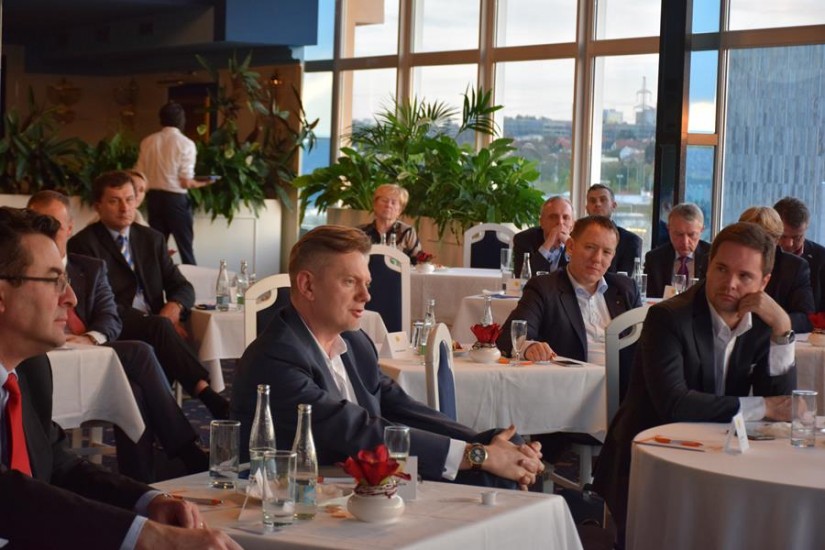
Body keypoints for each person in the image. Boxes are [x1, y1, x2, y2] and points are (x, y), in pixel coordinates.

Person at [231, 225, 544, 489]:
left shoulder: (354, 343)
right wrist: (478, 456)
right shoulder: (275, 357)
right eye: (349, 282)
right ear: (307, 285)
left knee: (507, 460)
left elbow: (403, 409)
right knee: (490, 475)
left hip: (364, 489)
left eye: (366, 283)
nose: (366, 296)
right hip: (300, 499)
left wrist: (485, 442)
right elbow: (356, 431)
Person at [0, 206, 239, 549]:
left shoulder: (31, 370)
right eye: (54, 281)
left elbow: (57, 464)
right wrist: (145, 535)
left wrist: (147, 501)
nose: (71, 298)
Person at [594, 222, 795, 546]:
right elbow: (675, 404)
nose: (730, 284)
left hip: (723, 453)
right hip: (654, 458)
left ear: (764, 282)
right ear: (708, 265)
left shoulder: (763, 324)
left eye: (745, 276)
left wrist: (783, 328)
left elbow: (781, 406)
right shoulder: (669, 317)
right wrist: (764, 407)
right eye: (722, 269)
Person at [27, 190, 208, 482]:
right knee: (139, 352)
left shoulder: (89, 267)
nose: (44, 232)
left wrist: (90, 338)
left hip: (89, 359)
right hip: (41, 362)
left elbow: (110, 317)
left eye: (52, 225)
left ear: (69, 228)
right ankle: (186, 453)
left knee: (133, 388)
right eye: (37, 224)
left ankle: (140, 480)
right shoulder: (19, 275)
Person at [67, 170, 229, 419]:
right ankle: (206, 394)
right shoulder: (84, 243)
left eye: (129, 199)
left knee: (159, 337)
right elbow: (97, 303)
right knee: (159, 329)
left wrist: (174, 306)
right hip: (114, 323)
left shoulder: (151, 239)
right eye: (114, 201)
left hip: (156, 328)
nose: (125, 208)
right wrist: (159, 321)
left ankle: (162, 424)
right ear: (98, 206)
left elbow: (181, 286)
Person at [497, 216, 641, 367]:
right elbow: (508, 338)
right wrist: (529, 347)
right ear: (571, 246)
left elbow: (645, 343)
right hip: (574, 378)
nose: (597, 259)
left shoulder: (626, 289)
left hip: (624, 379)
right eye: (590, 247)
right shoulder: (544, 288)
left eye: (606, 252)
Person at [135, 101, 210, 265]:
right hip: (176, 202)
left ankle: (154, 280)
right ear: (182, 120)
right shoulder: (186, 144)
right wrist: (205, 182)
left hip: (154, 199)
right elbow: (185, 182)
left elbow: (139, 174)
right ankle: (191, 280)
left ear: (161, 119)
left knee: (156, 250)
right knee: (186, 249)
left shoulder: (148, 141)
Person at [739, 206, 814, 333]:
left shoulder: (794, 267)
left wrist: (776, 316)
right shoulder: (728, 261)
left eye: (763, 240)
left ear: (776, 240)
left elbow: (806, 319)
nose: (754, 246)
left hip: (772, 338)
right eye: (748, 239)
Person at [644, 202, 710, 297]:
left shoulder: (712, 256)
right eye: (679, 234)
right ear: (668, 229)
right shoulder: (654, 259)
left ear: (701, 230)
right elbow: (649, 298)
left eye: (691, 235)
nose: (685, 242)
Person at [774, 196, 825, 313]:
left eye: (797, 237)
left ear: (806, 228)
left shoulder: (821, 258)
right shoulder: (761, 255)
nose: (789, 244)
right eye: (783, 236)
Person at [585, 184, 643, 274]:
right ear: (587, 208)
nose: (597, 204)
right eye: (592, 201)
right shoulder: (576, 237)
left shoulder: (630, 241)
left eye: (603, 200)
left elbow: (625, 280)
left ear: (614, 205)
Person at [512, 196, 574, 277]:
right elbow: (522, 278)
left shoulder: (580, 241)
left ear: (572, 225)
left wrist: (571, 246)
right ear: (541, 222)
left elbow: (583, 278)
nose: (560, 222)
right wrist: (548, 244)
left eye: (565, 217)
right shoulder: (523, 239)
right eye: (553, 217)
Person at [358, 183, 422, 261]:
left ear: (400, 210)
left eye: (393, 203)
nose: (388, 205)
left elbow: (418, 261)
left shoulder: (407, 232)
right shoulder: (360, 232)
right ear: (375, 205)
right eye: (384, 201)